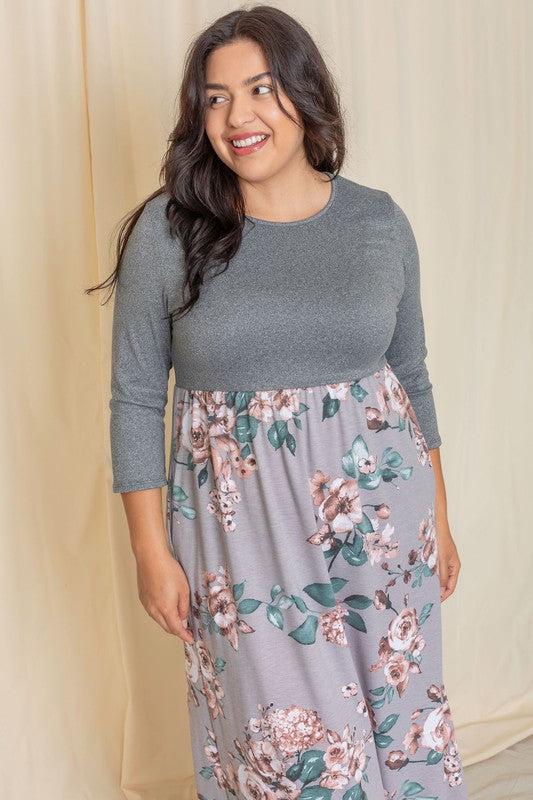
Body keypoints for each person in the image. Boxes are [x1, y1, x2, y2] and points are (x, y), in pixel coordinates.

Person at [87, 5, 469, 798]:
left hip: (381, 526)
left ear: (304, 93)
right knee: (288, 758)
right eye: (215, 98)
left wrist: (438, 516)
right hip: (241, 541)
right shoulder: (168, 231)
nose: (238, 116)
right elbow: (132, 397)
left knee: (404, 738)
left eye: (260, 89)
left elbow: (412, 375)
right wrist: (150, 552)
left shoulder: (377, 222)